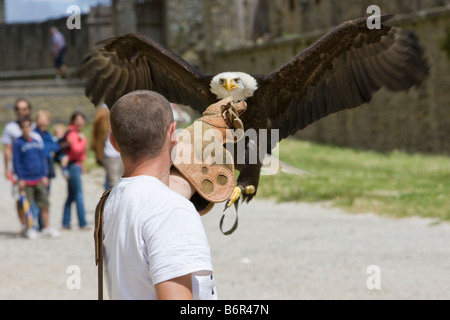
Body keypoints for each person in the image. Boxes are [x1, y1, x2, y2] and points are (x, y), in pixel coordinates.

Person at [102, 90, 216, 300]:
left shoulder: (110, 200)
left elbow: (150, 197)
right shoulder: (171, 210)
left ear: (114, 142)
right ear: (173, 132)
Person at [13, 116, 60, 238]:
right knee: (27, 205)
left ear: (31, 127)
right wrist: (20, 178)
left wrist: (44, 175)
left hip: (38, 178)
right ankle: (29, 228)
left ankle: (46, 227)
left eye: (28, 126)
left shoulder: (36, 141)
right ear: (20, 128)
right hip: (26, 179)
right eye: (23, 127)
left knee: (44, 203)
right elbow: (17, 162)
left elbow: (42, 159)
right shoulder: (18, 143)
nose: (26, 129)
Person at [1, 98, 42, 235]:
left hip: (35, 167)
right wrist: (7, 168)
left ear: (29, 110)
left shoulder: (35, 125)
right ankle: (25, 225)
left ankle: (38, 223)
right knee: (21, 197)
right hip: (19, 168)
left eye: (24, 108)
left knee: (39, 196)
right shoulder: (10, 127)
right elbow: (7, 149)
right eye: (18, 109)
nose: (21, 111)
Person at [62, 111, 88, 230]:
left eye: (81, 119)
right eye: (77, 119)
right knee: (78, 194)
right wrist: (82, 140)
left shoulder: (76, 133)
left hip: (75, 165)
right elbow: (76, 151)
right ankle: (82, 222)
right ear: (73, 121)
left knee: (71, 195)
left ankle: (65, 222)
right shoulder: (73, 134)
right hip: (72, 166)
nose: (79, 122)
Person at [90, 104, 123, 190]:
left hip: (123, 154)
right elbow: (96, 134)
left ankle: (107, 201)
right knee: (115, 185)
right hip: (110, 155)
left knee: (119, 182)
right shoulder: (103, 113)